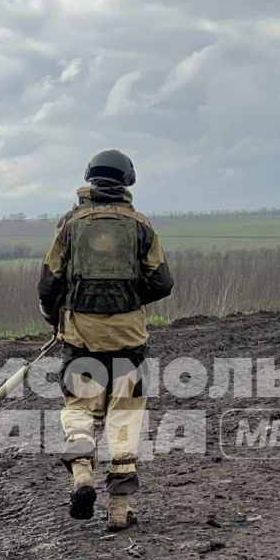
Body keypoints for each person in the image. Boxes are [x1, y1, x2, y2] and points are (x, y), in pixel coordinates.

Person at [36, 150, 174, 530]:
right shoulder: (141, 225)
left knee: (79, 408)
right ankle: (118, 510)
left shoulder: (69, 224)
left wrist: (57, 318)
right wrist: (130, 301)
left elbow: (49, 283)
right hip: (129, 340)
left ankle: (82, 472)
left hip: (80, 337)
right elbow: (163, 282)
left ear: (90, 180)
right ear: (127, 181)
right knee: (124, 418)